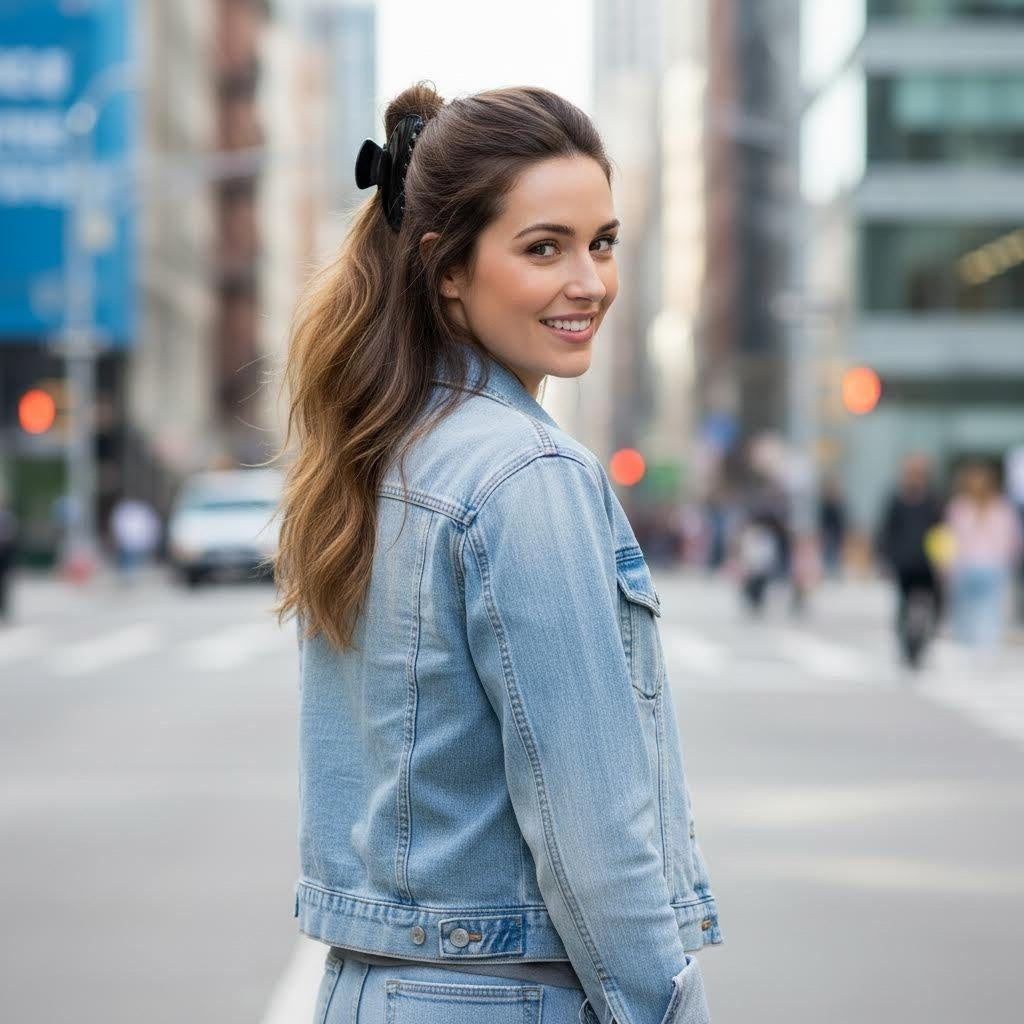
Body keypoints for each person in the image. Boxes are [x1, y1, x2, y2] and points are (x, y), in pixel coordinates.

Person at [271, 83, 720, 1024]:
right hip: (503, 995)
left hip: (369, 992)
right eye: (543, 247)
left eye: (602, 242)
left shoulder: (378, 451)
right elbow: (592, 830)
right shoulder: (525, 473)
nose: (590, 282)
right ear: (446, 268)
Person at [945, 460, 1022, 653]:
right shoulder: (959, 508)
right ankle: (966, 650)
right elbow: (950, 538)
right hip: (965, 566)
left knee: (990, 612)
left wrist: (1007, 561)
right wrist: (948, 565)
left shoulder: (1001, 509)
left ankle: (985, 651)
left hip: (993, 567)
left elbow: (1012, 539)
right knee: (964, 612)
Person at [876, 454, 944, 668]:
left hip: (928, 561)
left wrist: (943, 559)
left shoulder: (933, 499)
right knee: (904, 604)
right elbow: (886, 530)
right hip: (903, 561)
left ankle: (923, 641)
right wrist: (884, 558)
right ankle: (906, 644)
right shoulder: (897, 498)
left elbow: (941, 531)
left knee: (931, 604)